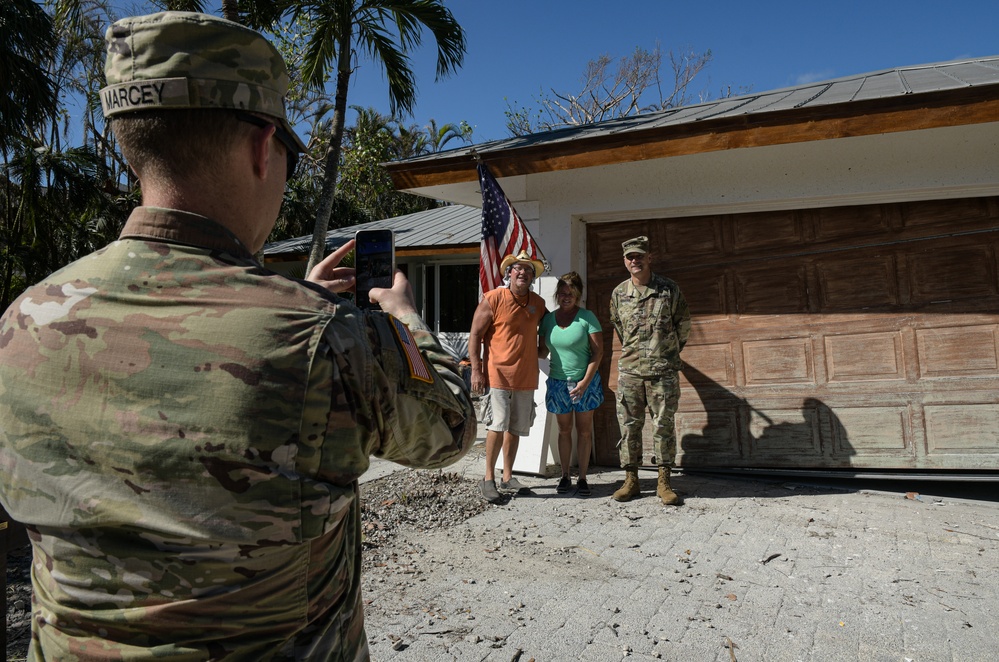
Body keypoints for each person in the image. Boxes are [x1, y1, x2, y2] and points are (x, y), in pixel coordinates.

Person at [0, 12, 474, 661]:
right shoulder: (327, 337)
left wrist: (293, 303)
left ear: (129, 144)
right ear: (261, 146)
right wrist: (400, 318)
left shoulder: (20, 322)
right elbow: (450, 428)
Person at [609, 236, 691, 505]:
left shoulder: (668, 289)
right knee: (629, 427)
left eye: (639, 256)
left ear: (649, 258)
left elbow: (683, 325)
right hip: (631, 372)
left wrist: (665, 353)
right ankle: (631, 480)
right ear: (624, 261)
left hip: (663, 372)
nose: (635, 260)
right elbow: (620, 328)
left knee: (663, 425)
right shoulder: (619, 294)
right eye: (630, 257)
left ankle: (664, 481)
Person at [469, 249, 548, 503]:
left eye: (528, 269)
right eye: (518, 268)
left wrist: (544, 348)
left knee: (515, 427)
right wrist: (476, 370)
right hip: (498, 374)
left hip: (525, 375)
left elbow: (548, 328)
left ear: (532, 276)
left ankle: (508, 476)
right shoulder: (493, 298)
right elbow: (475, 335)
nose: (523, 272)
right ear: (509, 273)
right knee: (496, 425)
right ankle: (488, 478)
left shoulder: (538, 303)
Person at [539, 272, 604, 496]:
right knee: (564, 430)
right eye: (563, 293)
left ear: (578, 296)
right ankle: (565, 476)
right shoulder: (548, 320)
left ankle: (583, 478)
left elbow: (598, 353)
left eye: (571, 294)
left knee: (584, 432)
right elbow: (542, 351)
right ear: (557, 294)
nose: (566, 297)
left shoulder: (587, 318)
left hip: (586, 382)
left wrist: (585, 382)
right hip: (558, 383)